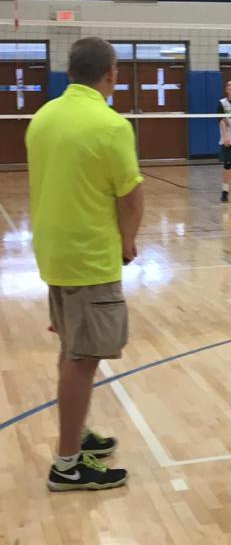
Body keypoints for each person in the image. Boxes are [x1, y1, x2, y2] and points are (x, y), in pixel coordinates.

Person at [27, 36, 144, 492]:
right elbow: (130, 196)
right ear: (111, 73)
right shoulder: (111, 125)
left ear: (70, 71)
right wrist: (128, 244)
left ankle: (77, 437)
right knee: (83, 359)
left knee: (72, 349)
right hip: (89, 257)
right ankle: (67, 465)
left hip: (53, 253)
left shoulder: (42, 117)